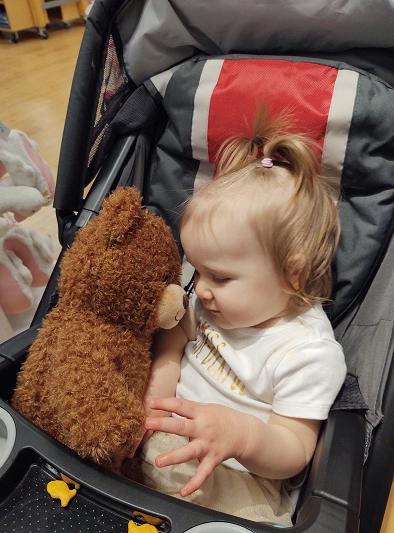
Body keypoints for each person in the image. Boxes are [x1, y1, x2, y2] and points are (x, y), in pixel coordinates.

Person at [136, 107, 347, 526]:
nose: (201, 288)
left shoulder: (307, 352)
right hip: (166, 437)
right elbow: (177, 333)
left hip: (237, 475)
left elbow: (295, 450)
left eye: (219, 276)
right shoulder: (213, 304)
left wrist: (243, 437)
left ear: (292, 275)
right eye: (197, 270)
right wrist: (162, 375)